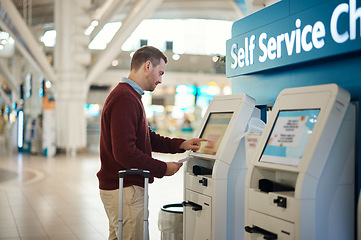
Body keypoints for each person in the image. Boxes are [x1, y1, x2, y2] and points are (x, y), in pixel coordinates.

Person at [97, 46, 206, 240]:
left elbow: (148, 138)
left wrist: (182, 144)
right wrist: (162, 168)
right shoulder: (125, 98)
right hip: (125, 189)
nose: (160, 79)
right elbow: (125, 153)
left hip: (122, 188)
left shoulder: (131, 96)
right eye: (160, 72)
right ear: (148, 65)